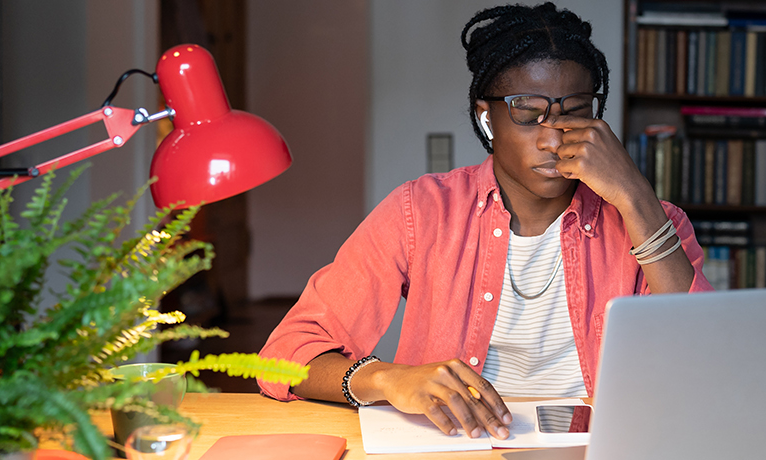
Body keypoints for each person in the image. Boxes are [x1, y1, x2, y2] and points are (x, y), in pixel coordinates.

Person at [257, 2, 712, 441]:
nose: (554, 138)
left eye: (575, 111)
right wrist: (386, 379)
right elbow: (284, 357)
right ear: (486, 117)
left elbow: (705, 361)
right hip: (455, 444)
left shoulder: (654, 221)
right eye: (528, 114)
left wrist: (635, 196)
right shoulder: (421, 212)